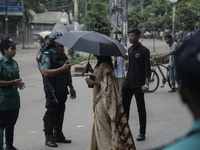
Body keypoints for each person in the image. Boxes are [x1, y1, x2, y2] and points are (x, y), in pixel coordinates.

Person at [150, 30, 200, 150]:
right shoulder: (170, 45)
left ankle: (174, 85)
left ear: (182, 93)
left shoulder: (175, 44)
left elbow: (173, 52)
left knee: (173, 77)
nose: (166, 41)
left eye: (167, 39)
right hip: (171, 63)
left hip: (173, 64)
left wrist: (162, 56)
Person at [85, 56, 136, 150]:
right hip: (99, 100)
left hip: (103, 102)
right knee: (100, 129)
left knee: (103, 131)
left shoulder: (105, 67)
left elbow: (107, 85)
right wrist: (91, 70)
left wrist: (93, 83)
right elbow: (99, 77)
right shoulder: (100, 65)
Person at [41, 31, 76, 147]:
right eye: (59, 41)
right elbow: (46, 72)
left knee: (61, 111)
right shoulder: (48, 55)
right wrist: (61, 69)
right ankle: (49, 137)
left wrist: (71, 87)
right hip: (52, 89)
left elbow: (67, 73)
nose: (62, 43)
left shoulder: (63, 55)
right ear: (54, 43)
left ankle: (58, 134)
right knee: (51, 111)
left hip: (62, 88)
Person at [122, 28, 151, 141]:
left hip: (139, 84)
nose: (130, 37)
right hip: (128, 83)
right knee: (125, 109)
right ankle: (124, 131)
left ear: (139, 36)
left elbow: (147, 69)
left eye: (132, 35)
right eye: (129, 36)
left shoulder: (144, 51)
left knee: (141, 108)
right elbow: (130, 63)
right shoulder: (130, 50)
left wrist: (146, 84)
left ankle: (142, 133)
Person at [0, 36, 25, 150]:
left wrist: (19, 83)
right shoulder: (1, 63)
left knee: (11, 124)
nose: (14, 51)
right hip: (3, 99)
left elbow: (16, 78)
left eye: (15, 48)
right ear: (5, 50)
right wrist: (12, 82)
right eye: (12, 49)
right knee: (2, 125)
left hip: (14, 99)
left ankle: (9, 146)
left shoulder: (14, 63)